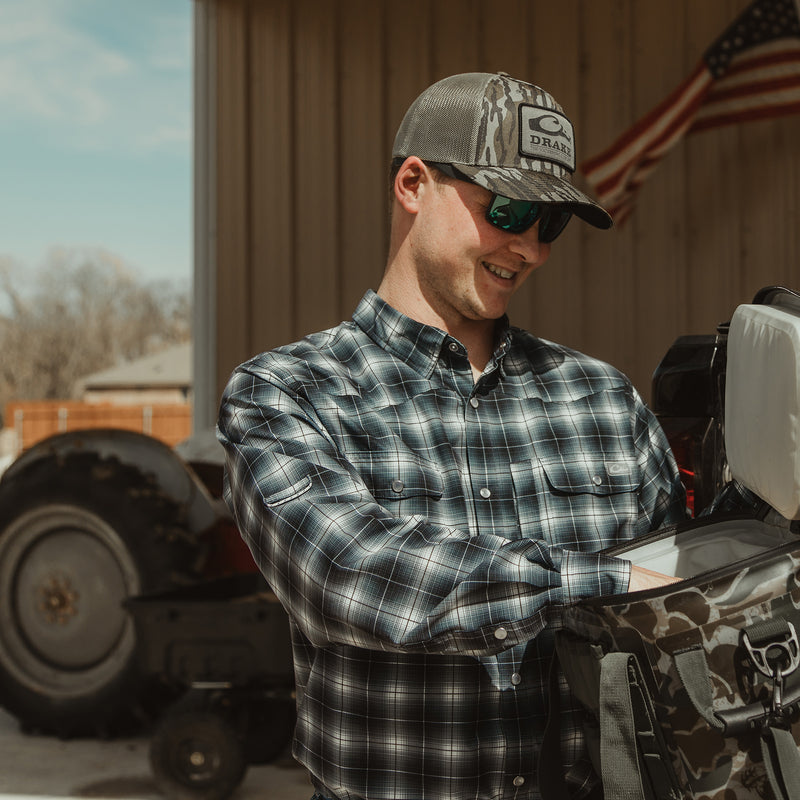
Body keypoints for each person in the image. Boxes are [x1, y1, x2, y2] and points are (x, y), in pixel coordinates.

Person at [217, 72, 686, 800]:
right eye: (509, 209)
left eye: (550, 224)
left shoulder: (604, 399)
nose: (530, 248)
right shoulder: (287, 393)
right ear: (413, 184)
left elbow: (678, 619)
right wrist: (607, 582)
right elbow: (351, 574)